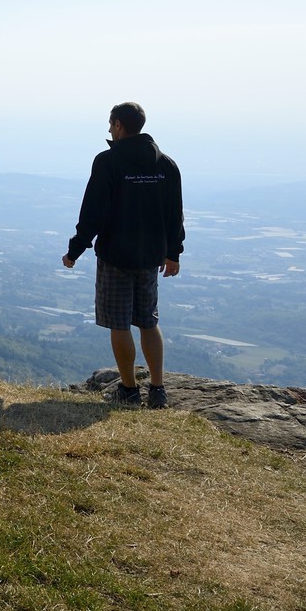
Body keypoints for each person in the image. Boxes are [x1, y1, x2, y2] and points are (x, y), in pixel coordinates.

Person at [62, 102, 184, 409]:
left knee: (119, 323)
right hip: (150, 258)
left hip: (116, 256)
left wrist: (75, 249)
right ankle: (157, 390)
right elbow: (175, 215)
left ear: (118, 125)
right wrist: (173, 253)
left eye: (110, 124)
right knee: (148, 321)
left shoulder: (108, 162)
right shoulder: (166, 165)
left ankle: (129, 390)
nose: (108, 130)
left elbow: (93, 211)